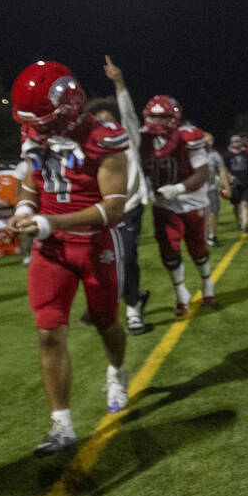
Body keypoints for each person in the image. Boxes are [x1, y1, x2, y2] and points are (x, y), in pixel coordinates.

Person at [5, 60, 130, 456]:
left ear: (70, 107)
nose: (34, 130)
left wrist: (50, 222)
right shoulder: (36, 135)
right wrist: (24, 211)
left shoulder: (104, 138)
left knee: (107, 323)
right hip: (52, 248)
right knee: (48, 332)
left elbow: (113, 209)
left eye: (43, 121)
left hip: (94, 245)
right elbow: (29, 186)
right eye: (31, 122)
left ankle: (117, 371)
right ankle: (62, 425)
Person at [104, 56, 215, 315]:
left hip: (192, 201)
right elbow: (128, 118)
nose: (157, 123)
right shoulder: (141, 137)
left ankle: (207, 285)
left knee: (198, 249)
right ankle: (181, 293)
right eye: (153, 118)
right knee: (169, 252)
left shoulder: (188, 136)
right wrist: (120, 84)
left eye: (163, 117)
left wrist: (177, 189)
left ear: (174, 117)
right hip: (163, 204)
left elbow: (202, 174)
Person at [88, 88, 153, 335]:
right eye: (99, 121)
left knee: (126, 258)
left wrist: (120, 85)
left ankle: (133, 309)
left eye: (108, 119)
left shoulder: (128, 137)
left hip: (128, 208)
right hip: (100, 211)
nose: (104, 125)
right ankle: (130, 297)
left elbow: (128, 114)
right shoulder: (91, 145)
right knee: (104, 262)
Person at [222, 134, 248, 233]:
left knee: (245, 203)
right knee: (236, 205)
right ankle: (238, 221)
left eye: (238, 141)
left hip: (246, 183)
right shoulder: (227, 155)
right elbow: (223, 169)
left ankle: (244, 224)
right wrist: (229, 177)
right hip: (234, 184)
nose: (237, 143)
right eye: (234, 141)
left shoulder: (246, 154)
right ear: (231, 143)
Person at [204, 132, 227, 245]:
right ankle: (202, 236)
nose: (209, 143)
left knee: (214, 212)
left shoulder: (215, 154)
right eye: (207, 140)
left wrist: (225, 186)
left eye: (211, 140)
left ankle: (212, 236)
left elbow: (222, 171)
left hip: (211, 188)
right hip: (196, 190)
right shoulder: (193, 153)